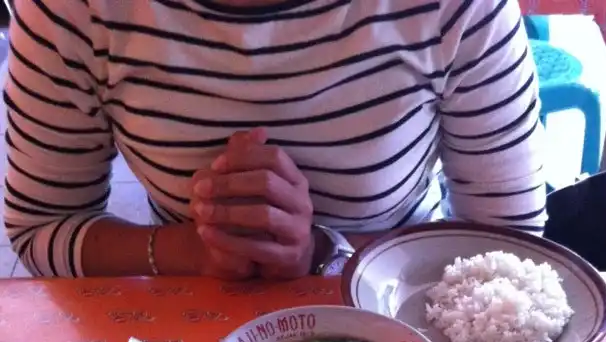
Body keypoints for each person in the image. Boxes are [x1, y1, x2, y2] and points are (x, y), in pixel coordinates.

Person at [3, 0, 546, 280]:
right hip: (191, 320)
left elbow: (512, 244)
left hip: (404, 310)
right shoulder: (73, 11)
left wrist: (319, 254)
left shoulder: (457, 9)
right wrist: (194, 251)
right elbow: (40, 226)